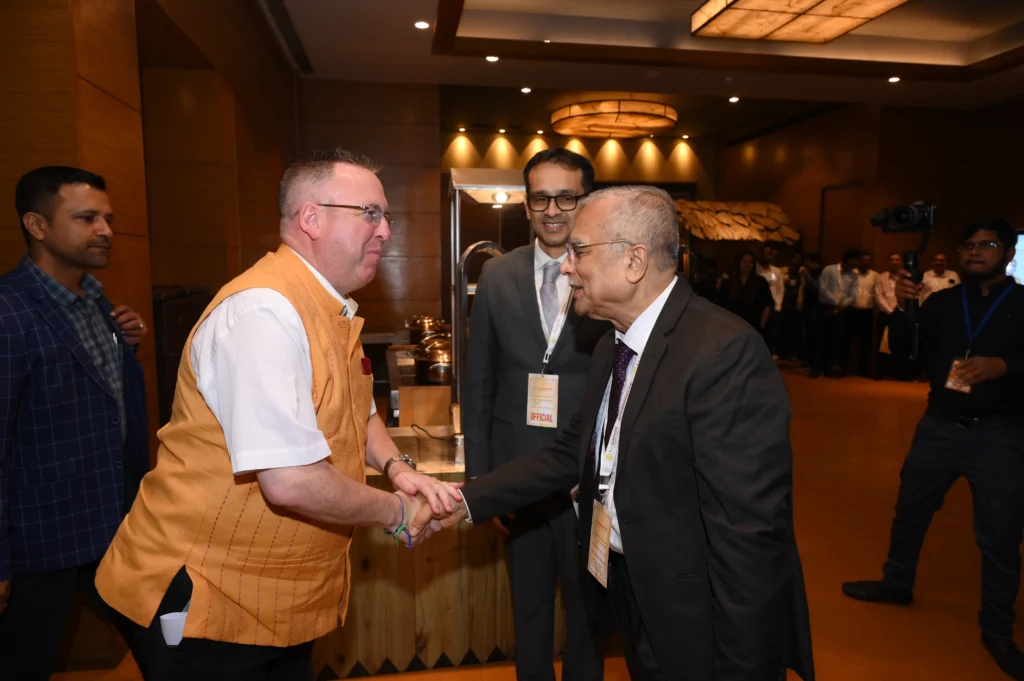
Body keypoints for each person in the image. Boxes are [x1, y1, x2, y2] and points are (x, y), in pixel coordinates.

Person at [94, 149, 462, 680]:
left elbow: (358, 414)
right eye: (370, 214)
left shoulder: (330, 307)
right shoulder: (262, 312)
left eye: (386, 216)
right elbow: (290, 481)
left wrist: (398, 469)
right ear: (311, 217)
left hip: (278, 604)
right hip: (207, 597)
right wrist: (397, 512)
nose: (385, 231)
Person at [422, 186, 815, 681]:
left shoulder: (723, 352)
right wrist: (466, 501)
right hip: (634, 592)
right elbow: (573, 451)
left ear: (634, 261)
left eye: (578, 251)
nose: (566, 268)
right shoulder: (615, 342)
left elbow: (749, 538)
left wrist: (745, 669)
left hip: (699, 619)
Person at [842, 219, 1024, 681]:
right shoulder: (942, 302)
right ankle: (896, 583)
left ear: (1008, 253)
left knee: (1000, 536)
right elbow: (906, 351)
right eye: (969, 244)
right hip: (939, 427)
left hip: (999, 435)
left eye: (988, 244)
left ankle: (998, 630)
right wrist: (903, 308)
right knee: (910, 511)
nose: (975, 251)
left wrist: (1006, 366)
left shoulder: (1023, 304)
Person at [0, 166, 150, 680]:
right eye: (87, 219)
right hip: (38, 542)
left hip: (110, 522)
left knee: (170, 649)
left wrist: (126, 346)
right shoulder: (9, 314)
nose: (105, 230)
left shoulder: (97, 303)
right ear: (37, 225)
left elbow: (98, 402)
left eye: (108, 218)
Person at [464, 148, 606, 681]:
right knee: (527, 611)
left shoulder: (608, 273)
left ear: (586, 201)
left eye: (566, 197)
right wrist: (482, 481)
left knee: (588, 615)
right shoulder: (497, 275)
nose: (552, 210)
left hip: (583, 477)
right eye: (540, 198)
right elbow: (479, 381)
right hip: (516, 476)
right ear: (526, 205)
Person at [810, 248, 860, 378]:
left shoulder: (854, 275)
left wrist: (840, 306)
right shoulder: (829, 270)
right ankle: (816, 367)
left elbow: (853, 295)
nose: (857, 264)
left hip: (841, 310)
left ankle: (829, 367)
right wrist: (834, 302)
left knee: (835, 339)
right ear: (848, 260)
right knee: (820, 337)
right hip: (825, 307)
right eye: (856, 260)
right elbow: (822, 289)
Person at [715, 251, 774, 334]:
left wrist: (763, 322)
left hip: (752, 324)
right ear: (739, 262)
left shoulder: (760, 281)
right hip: (732, 323)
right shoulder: (729, 280)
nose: (747, 265)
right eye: (744, 261)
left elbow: (767, 303)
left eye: (750, 262)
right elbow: (721, 301)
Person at [875, 252, 909, 380]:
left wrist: (900, 312)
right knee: (882, 343)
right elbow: (878, 296)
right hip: (886, 314)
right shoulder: (881, 277)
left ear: (901, 262)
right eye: (892, 259)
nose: (894, 262)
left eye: (897, 259)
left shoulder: (907, 277)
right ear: (888, 262)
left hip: (903, 315)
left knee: (902, 344)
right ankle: (879, 372)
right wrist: (890, 312)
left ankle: (901, 373)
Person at [850, 252, 878, 377]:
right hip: (851, 310)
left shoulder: (875, 275)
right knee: (846, 339)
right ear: (858, 261)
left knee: (866, 342)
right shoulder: (851, 273)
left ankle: (864, 369)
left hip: (867, 312)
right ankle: (845, 367)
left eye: (868, 260)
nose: (866, 262)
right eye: (863, 260)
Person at [757, 242, 784, 357]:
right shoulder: (755, 269)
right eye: (765, 253)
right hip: (758, 305)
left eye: (770, 253)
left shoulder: (776, 271)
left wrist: (778, 306)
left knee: (771, 333)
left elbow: (780, 289)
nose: (767, 255)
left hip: (773, 306)